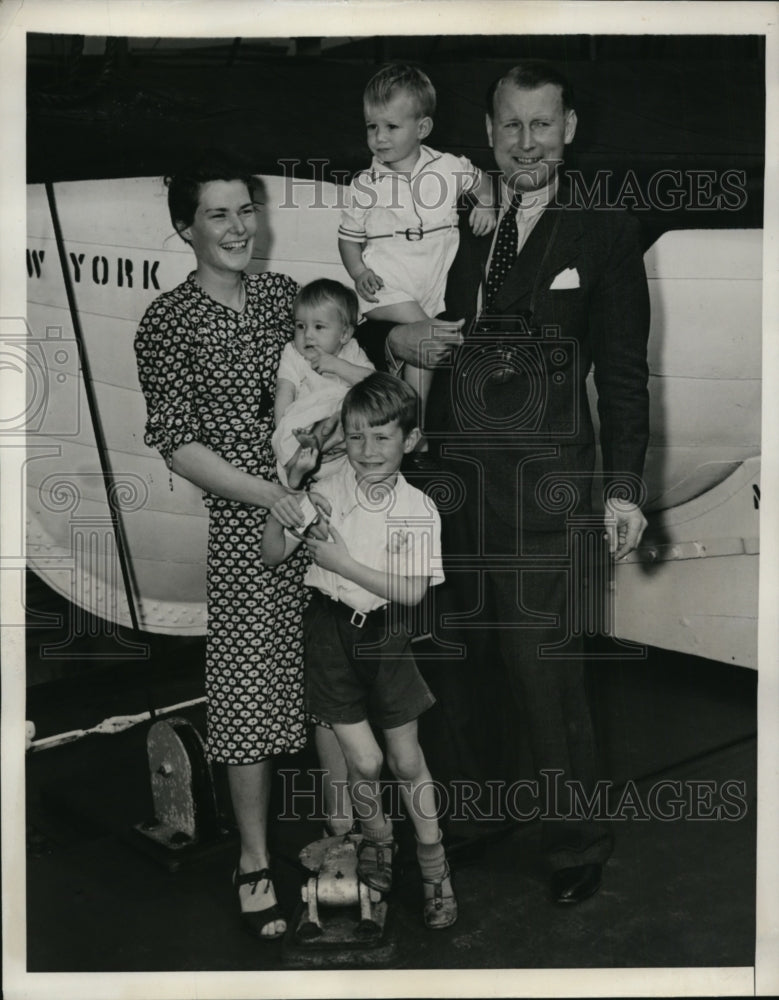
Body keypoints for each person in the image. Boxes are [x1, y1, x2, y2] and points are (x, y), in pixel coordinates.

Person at [357, 60, 650, 905]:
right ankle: (473, 816)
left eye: (541, 124)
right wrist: (394, 343)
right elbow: (385, 313)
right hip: (443, 484)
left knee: (541, 672)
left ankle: (572, 843)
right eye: (510, 125)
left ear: (568, 130)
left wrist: (621, 489)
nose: (526, 142)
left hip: (541, 493)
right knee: (458, 664)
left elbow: (621, 375)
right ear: (486, 132)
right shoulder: (449, 213)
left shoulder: (602, 227)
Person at [134, 152, 316, 942]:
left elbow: (332, 375)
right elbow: (178, 445)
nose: (240, 227)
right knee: (248, 695)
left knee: (334, 683)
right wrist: (269, 493)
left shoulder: (284, 297)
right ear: (187, 228)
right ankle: (253, 860)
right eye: (219, 213)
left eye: (246, 209)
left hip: (322, 509)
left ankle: (344, 841)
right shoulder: (167, 321)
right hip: (247, 529)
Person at [262, 372, 458, 930]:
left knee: (405, 761)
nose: (368, 450)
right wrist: (284, 497)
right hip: (329, 634)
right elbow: (272, 554)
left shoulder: (417, 508)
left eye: (382, 437)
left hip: (385, 634)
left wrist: (343, 563)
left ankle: (434, 864)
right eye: (355, 437)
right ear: (341, 438)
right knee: (364, 762)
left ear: (410, 440)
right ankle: (378, 840)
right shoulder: (326, 487)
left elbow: (412, 591)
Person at [338, 63, 496, 434]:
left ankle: (414, 429)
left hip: (431, 287)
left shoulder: (447, 167)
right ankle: (408, 424)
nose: (379, 137)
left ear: (422, 128)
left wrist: (486, 203)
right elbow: (348, 239)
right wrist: (359, 273)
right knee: (431, 335)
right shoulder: (365, 184)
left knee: (423, 355)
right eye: (372, 127)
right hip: (387, 287)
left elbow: (483, 182)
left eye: (391, 127)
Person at [272, 278, 374, 489]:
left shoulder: (352, 352)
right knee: (285, 435)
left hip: (344, 437)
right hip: (305, 428)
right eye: (300, 326)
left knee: (355, 410)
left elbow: (374, 384)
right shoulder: (294, 354)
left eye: (319, 327)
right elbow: (284, 389)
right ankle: (295, 469)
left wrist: (336, 365)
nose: (307, 335)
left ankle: (319, 444)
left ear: (344, 334)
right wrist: (283, 426)